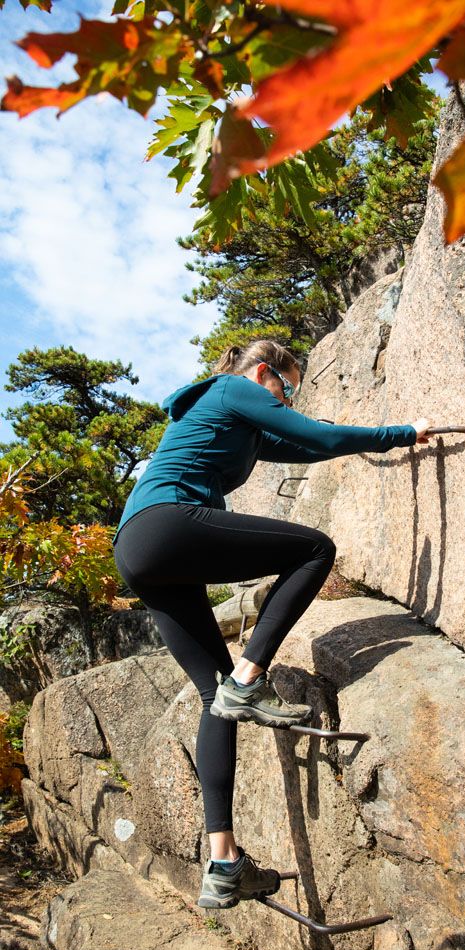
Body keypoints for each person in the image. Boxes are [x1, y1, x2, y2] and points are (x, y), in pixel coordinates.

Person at [112, 339, 434, 910]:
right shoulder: (234, 389)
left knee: (214, 699)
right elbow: (322, 435)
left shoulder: (239, 424)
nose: (287, 399)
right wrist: (404, 431)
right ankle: (249, 678)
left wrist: (366, 445)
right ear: (264, 374)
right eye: (287, 388)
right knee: (314, 550)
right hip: (168, 525)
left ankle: (223, 863)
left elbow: (312, 447)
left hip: (138, 549)